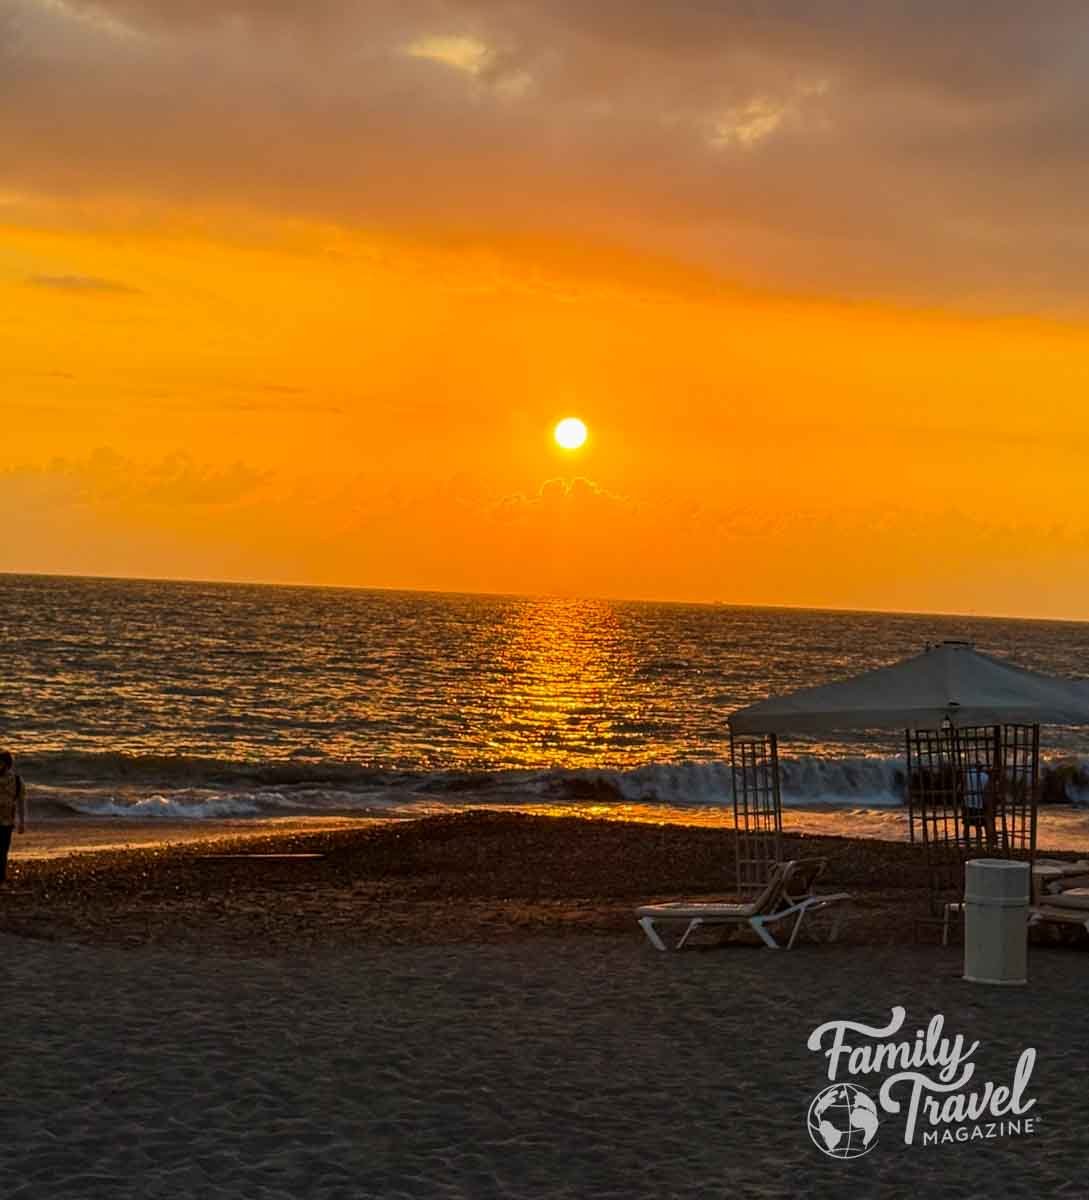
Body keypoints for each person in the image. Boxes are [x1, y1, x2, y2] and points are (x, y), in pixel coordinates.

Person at [0, 751, 26, 885]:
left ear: (7, 764)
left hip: (7, 821)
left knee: (3, 850)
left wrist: (22, 822)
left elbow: (21, 801)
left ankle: (1, 878)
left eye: (0, 763)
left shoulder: (17, 780)